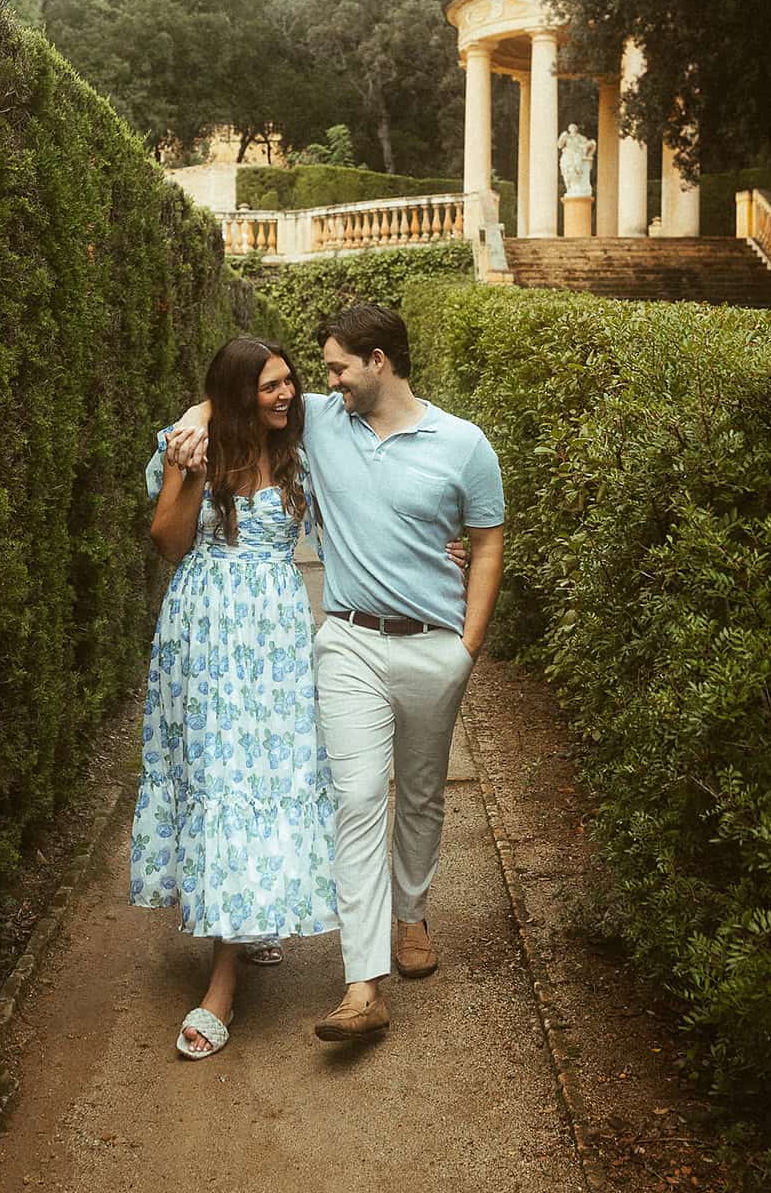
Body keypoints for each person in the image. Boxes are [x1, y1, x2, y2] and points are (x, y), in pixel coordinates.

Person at [168, 304, 505, 1044]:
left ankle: (410, 909)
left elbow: (485, 543)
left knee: (420, 791)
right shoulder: (322, 419)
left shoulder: (465, 444)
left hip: (434, 645)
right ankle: (362, 986)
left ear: (377, 361)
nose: (321, 384)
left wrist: (467, 648)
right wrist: (195, 416)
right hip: (348, 638)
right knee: (354, 798)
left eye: (334, 368)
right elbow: (239, 393)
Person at [130, 336, 338, 1059]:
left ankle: (253, 918)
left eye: (290, 382)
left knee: (268, 779)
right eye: (270, 386)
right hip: (204, 635)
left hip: (274, 643)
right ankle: (224, 976)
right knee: (221, 782)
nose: (286, 395)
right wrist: (189, 462)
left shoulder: (302, 451)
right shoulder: (193, 446)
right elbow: (167, 540)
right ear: (236, 392)